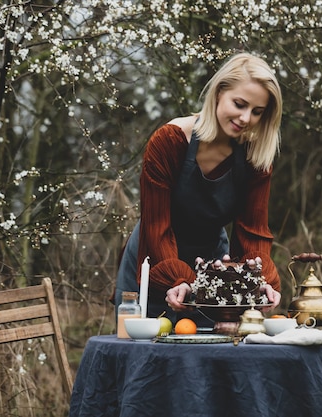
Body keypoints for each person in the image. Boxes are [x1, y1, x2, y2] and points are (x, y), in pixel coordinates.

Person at [114, 52, 283, 326]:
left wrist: (258, 280)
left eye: (257, 112)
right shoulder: (169, 141)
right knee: (148, 355)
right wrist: (178, 280)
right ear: (218, 93)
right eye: (239, 104)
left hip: (215, 267)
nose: (245, 118)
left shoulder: (256, 157)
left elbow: (253, 231)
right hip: (154, 258)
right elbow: (156, 224)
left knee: (212, 354)